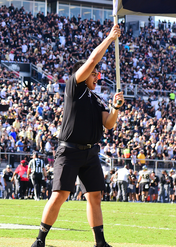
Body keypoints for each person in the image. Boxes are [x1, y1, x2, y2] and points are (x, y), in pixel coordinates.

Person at [31, 23, 124, 247]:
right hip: (70, 150)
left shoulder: (97, 98)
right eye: (94, 74)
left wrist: (116, 108)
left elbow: (109, 124)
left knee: (95, 196)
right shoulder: (74, 87)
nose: (97, 77)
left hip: (90, 153)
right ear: (81, 74)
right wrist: (110, 39)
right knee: (60, 194)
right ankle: (40, 240)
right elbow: (92, 60)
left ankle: (100, 243)